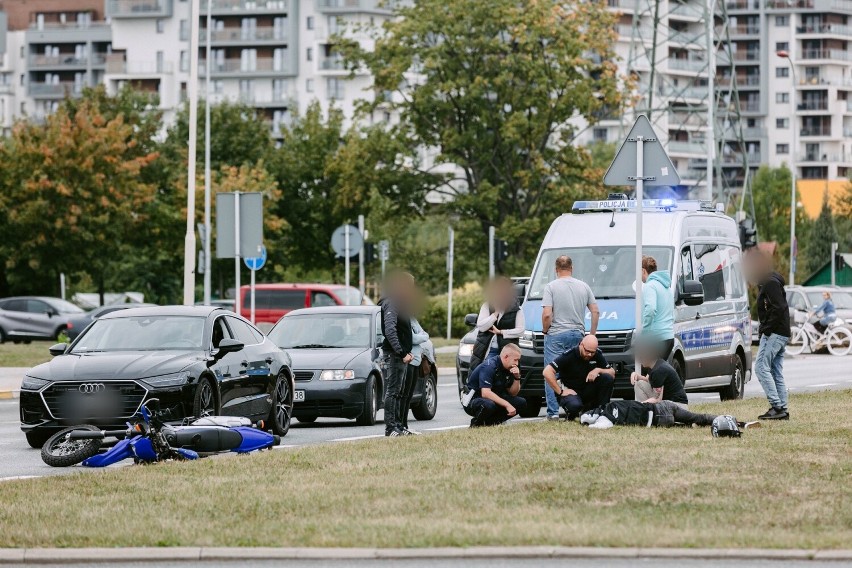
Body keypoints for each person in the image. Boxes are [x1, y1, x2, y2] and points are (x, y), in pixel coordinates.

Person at [542, 255, 599, 420]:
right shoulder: (583, 286)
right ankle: (578, 407)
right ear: (571, 269)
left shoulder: (551, 287)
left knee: (551, 372)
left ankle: (553, 413)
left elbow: (547, 314)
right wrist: (591, 336)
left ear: (556, 270)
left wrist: (546, 330)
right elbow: (595, 311)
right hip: (578, 334)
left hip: (556, 334)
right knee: (577, 372)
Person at [747, 251, 791, 421]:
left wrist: (766, 328)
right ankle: (783, 409)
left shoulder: (770, 283)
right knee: (775, 371)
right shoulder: (771, 282)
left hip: (775, 333)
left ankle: (776, 406)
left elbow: (779, 307)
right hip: (781, 332)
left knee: (761, 368)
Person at [542, 335, 614, 421]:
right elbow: (547, 372)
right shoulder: (569, 355)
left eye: (592, 352)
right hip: (571, 391)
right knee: (574, 406)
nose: (590, 354)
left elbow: (612, 372)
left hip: (587, 389)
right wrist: (560, 392)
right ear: (581, 344)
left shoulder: (597, 354)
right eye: (587, 351)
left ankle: (602, 412)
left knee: (607, 378)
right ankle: (572, 414)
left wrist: (598, 370)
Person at [379, 270, 416, 437]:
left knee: (400, 392)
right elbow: (390, 330)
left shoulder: (400, 303)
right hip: (394, 355)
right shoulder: (391, 303)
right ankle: (391, 428)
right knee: (393, 391)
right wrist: (401, 352)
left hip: (402, 354)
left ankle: (399, 426)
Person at [469, 277, 525, 372]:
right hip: (487, 350)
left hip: (507, 352)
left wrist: (501, 332)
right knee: (482, 376)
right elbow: (482, 327)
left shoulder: (517, 309)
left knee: (508, 381)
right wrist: (495, 313)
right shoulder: (487, 306)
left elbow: (520, 330)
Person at [579, 400, 745, 431]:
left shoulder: (606, 417)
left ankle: (688, 427)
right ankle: (733, 420)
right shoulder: (612, 404)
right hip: (665, 405)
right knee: (697, 417)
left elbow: (600, 427)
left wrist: (589, 427)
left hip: (659, 419)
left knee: (683, 426)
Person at [464, 344, 526, 427]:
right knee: (488, 405)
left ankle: (491, 424)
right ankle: (476, 425)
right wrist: (507, 405)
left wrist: (517, 378)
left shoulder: (508, 368)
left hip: (492, 399)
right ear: (506, 357)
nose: (517, 363)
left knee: (521, 402)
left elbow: (512, 393)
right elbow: (485, 393)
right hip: (473, 400)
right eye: (515, 360)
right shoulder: (489, 366)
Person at [630, 341, 688, 408]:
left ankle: (647, 413)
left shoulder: (659, 371)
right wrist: (636, 376)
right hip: (670, 403)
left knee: (646, 400)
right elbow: (646, 380)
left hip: (678, 406)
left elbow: (657, 399)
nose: (639, 360)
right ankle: (647, 412)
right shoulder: (655, 364)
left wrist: (639, 405)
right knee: (639, 383)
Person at [640, 256, 675, 361]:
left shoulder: (650, 286)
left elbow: (650, 309)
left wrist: (644, 333)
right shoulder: (666, 286)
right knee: (657, 371)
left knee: (650, 370)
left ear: (643, 270)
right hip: (668, 336)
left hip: (656, 337)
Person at [399, 317, 429, 435]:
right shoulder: (403, 320)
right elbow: (412, 338)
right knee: (404, 395)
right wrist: (422, 337)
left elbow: (425, 335)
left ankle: (405, 424)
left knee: (409, 395)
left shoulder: (413, 320)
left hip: (417, 361)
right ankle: (401, 424)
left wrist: (421, 336)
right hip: (409, 361)